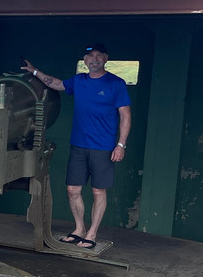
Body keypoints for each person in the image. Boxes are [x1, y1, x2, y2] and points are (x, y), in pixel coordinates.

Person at [21, 44, 131, 250]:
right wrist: (35, 71)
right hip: (79, 145)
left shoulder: (116, 83)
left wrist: (121, 144)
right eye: (90, 56)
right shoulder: (78, 81)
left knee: (98, 192)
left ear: (105, 59)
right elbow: (56, 84)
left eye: (99, 56)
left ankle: (92, 233)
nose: (94, 59)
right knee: (73, 189)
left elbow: (125, 116)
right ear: (85, 60)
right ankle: (79, 229)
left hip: (104, 147)